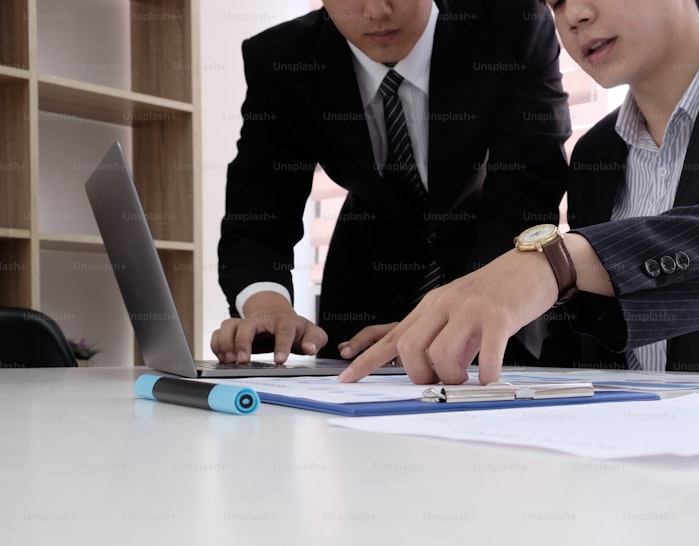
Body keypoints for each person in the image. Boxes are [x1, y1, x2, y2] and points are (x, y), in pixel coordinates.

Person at [340, 0, 699, 385]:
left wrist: (561, 258)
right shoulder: (598, 151)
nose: (573, 16)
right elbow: (588, 331)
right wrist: (461, 331)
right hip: (640, 457)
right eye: (555, 3)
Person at [212, 0, 571, 365]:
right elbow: (257, 216)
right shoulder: (282, 59)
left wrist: (453, 315)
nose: (375, 11)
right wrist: (267, 305)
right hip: (362, 302)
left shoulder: (512, 23)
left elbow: (529, 184)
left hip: (493, 272)